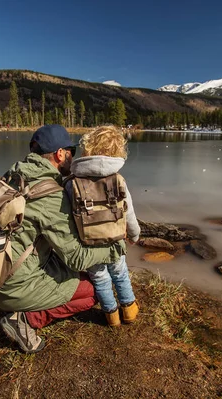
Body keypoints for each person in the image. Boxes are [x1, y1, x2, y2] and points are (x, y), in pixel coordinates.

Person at [0, 124, 125, 353]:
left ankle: (21, 301)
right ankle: (25, 320)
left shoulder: (14, 175)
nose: (74, 158)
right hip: (11, 286)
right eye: (72, 152)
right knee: (94, 290)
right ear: (61, 154)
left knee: (74, 272)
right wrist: (114, 248)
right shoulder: (50, 195)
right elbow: (78, 258)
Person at [65, 125, 140, 327]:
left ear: (87, 148)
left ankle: (111, 315)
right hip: (115, 241)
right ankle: (129, 309)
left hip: (88, 244)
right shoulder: (118, 179)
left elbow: (68, 219)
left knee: (99, 278)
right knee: (120, 273)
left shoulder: (72, 183)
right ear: (118, 152)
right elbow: (129, 212)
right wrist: (134, 235)